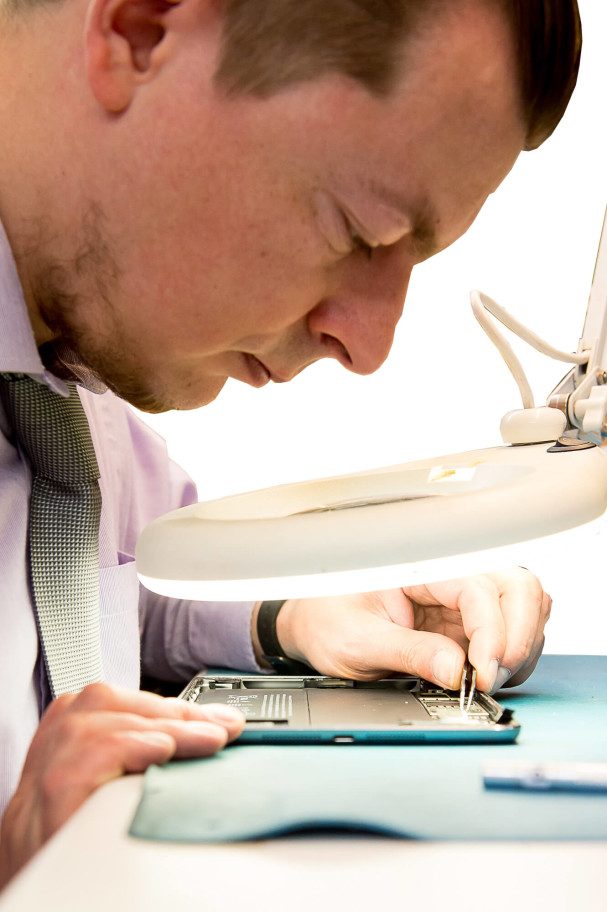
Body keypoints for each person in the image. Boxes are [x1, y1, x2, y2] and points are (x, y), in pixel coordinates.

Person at [0, 0, 581, 888]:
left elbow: (97, 604)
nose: (369, 347)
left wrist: (293, 626)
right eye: (358, 230)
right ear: (140, 32)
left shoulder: (71, 391)